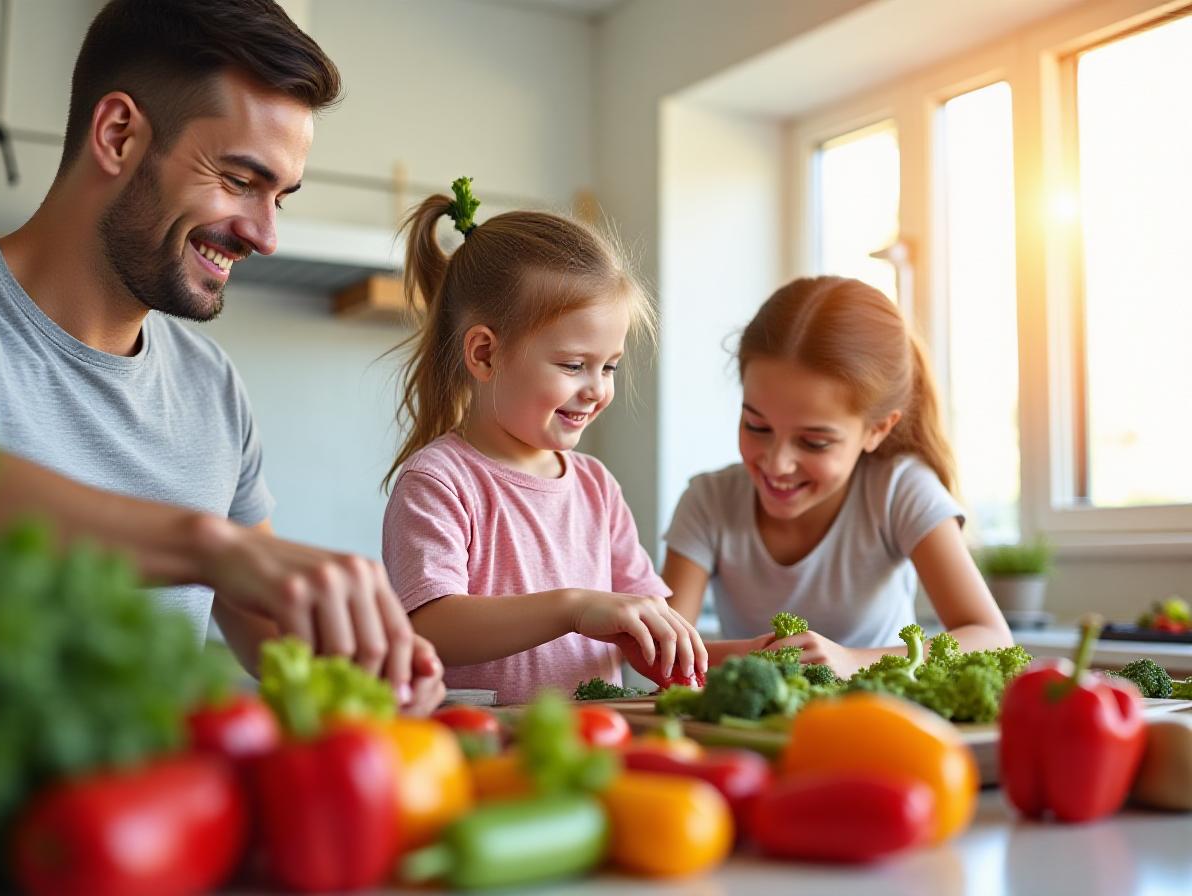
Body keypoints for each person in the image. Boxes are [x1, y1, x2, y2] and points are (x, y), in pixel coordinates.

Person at [0, 0, 443, 713]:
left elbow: (263, 627)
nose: (265, 234)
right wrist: (207, 545)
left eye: (280, 196)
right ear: (119, 135)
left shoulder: (211, 386)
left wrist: (364, 653)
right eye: (239, 180)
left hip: (150, 816)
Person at [381, 178, 707, 705]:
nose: (598, 388)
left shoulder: (597, 486)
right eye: (574, 365)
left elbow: (654, 627)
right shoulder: (438, 481)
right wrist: (574, 607)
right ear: (485, 354)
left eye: (610, 366)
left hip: (593, 745)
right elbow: (431, 624)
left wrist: (751, 653)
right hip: (482, 753)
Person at [662, 276, 1012, 678]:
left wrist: (854, 662)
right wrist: (773, 658)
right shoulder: (709, 500)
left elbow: (990, 636)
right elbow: (664, 648)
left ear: (877, 430)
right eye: (757, 426)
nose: (777, 464)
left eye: (814, 442)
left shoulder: (898, 490)